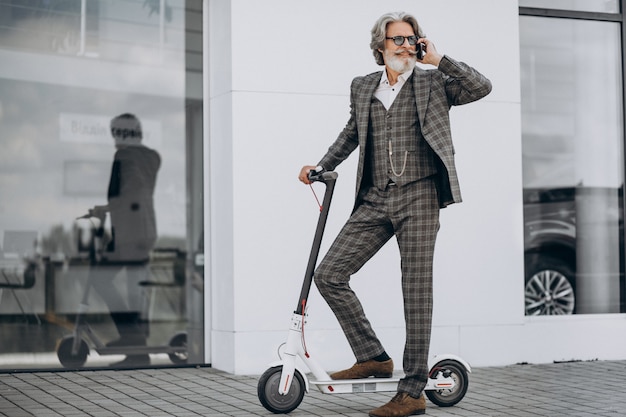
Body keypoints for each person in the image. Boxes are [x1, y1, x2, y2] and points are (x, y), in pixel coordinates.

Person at [298, 12, 491, 417]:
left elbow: (481, 87)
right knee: (329, 274)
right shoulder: (363, 86)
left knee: (415, 292)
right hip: (375, 198)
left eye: (412, 38)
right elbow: (353, 133)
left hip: (420, 196)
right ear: (380, 46)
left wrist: (439, 60)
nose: (406, 45)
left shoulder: (434, 81)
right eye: (398, 40)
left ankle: (413, 390)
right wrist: (319, 165)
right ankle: (372, 356)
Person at [90, 113, 161, 367]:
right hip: (144, 231)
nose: (113, 140)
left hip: (129, 233)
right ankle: (134, 344)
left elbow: (132, 194)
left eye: (115, 133)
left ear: (122, 133)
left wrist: (105, 209)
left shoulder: (124, 157)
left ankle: (133, 342)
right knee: (135, 292)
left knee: (101, 278)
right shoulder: (152, 157)